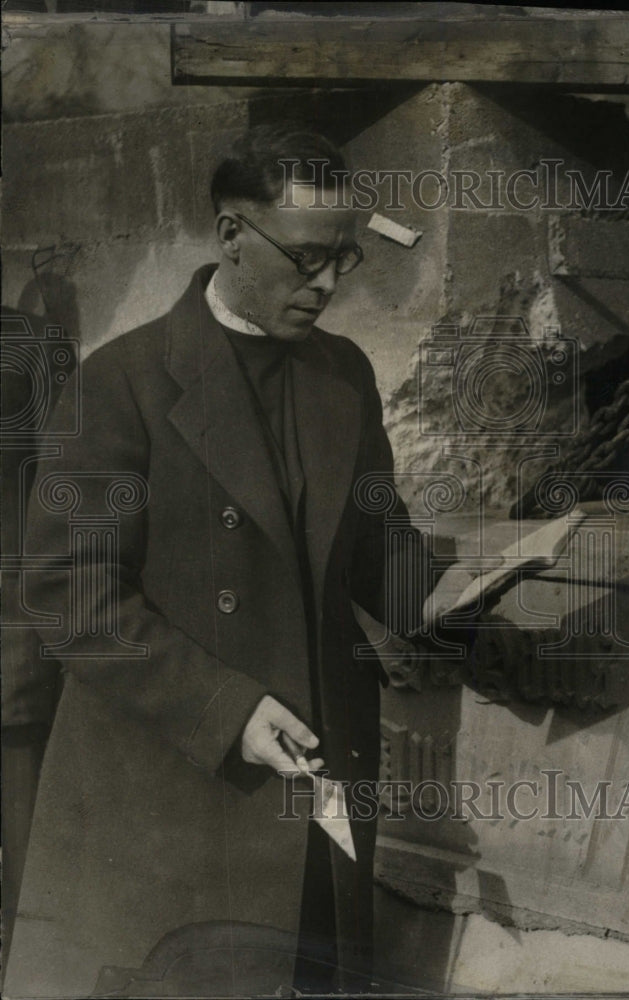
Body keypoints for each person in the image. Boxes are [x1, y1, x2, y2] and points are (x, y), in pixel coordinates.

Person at [3, 124, 464, 999]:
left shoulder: (345, 376)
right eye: (303, 259)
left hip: (317, 783)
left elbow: (374, 547)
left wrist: (465, 598)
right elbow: (71, 595)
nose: (325, 284)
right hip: (174, 790)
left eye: (343, 258)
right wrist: (226, 707)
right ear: (229, 237)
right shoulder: (120, 383)